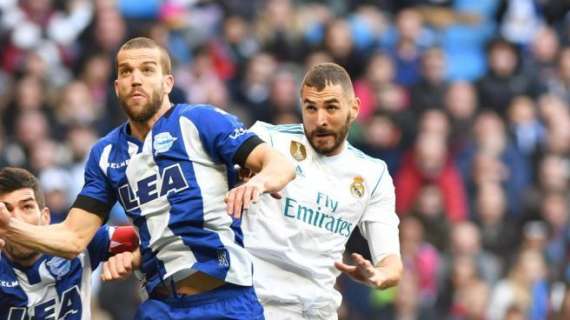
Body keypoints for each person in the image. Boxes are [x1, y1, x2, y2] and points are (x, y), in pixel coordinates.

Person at [0, 37, 295, 319]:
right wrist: (10, 228)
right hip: (161, 305)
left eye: (147, 69)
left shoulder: (200, 121)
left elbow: (280, 165)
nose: (135, 79)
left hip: (225, 301)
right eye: (126, 72)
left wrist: (259, 181)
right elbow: (73, 238)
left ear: (168, 82)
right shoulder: (104, 155)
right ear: (117, 87)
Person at [243, 62, 402, 319]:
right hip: (257, 303)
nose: (320, 120)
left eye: (331, 107)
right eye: (310, 108)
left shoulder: (374, 174)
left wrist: (379, 275)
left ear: (354, 108)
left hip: (318, 310)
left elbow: (391, 262)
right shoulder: (267, 140)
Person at [0, 167, 138, 320]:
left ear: (45, 217)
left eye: (27, 207)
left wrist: (132, 258)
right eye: (6, 210)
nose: (16, 219)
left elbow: (147, 238)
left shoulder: (80, 239)